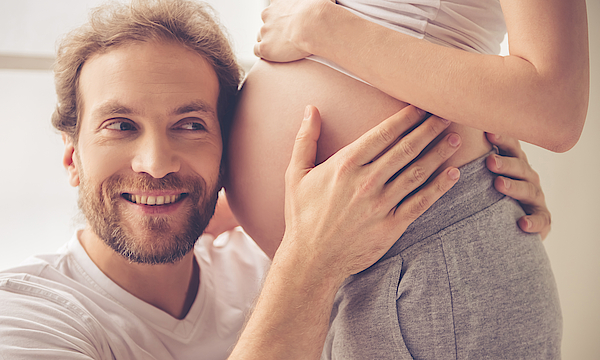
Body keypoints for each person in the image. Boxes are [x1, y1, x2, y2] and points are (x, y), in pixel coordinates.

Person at [0, 0, 552, 359]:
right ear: (71, 158)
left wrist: (484, 190)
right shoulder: (27, 317)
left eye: (191, 125)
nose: (157, 162)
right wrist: (311, 261)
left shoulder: (255, 263)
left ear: (228, 155)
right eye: (120, 125)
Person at [226, 0, 587, 358]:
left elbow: (556, 105)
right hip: (319, 278)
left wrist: (319, 26)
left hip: (435, 261)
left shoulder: (315, 24)